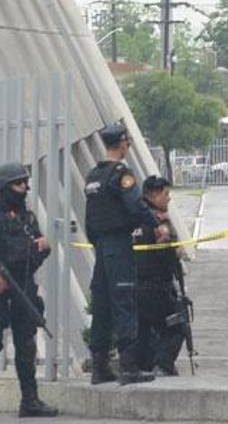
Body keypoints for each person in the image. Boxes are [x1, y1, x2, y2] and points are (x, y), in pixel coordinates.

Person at [0, 162, 57, 421]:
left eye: (26, 183)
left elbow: (34, 253)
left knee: (26, 346)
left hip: (24, 288)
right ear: (6, 187)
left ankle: (30, 401)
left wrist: (43, 248)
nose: (25, 188)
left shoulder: (28, 218)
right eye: (20, 184)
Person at [84, 122, 170, 385]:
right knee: (125, 303)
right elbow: (135, 206)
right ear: (121, 143)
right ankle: (129, 366)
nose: (129, 145)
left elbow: (90, 218)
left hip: (100, 246)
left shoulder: (93, 176)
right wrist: (158, 226)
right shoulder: (121, 174)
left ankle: (100, 367)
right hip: (119, 244)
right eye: (128, 141)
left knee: (102, 306)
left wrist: (97, 242)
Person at [134, 175, 186, 376]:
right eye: (165, 194)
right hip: (158, 287)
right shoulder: (158, 222)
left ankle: (143, 366)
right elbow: (169, 254)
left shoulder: (133, 217)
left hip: (136, 286)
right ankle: (162, 366)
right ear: (153, 196)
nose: (169, 198)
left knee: (143, 331)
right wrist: (176, 249)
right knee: (176, 326)